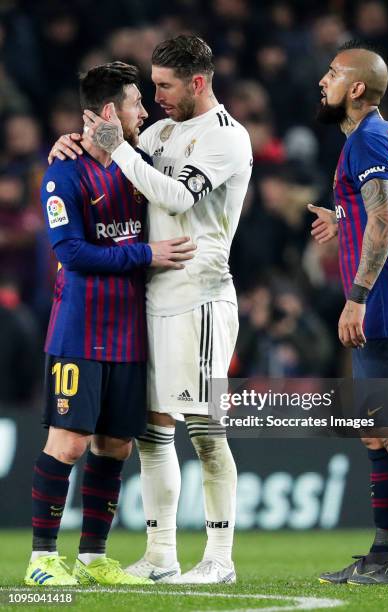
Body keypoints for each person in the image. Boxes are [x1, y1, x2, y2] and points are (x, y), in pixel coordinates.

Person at [52, 35, 253, 584]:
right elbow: (116, 165)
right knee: (151, 433)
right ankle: (161, 555)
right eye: (151, 86)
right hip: (151, 301)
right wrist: (73, 143)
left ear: (198, 82)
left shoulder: (227, 138)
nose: (156, 97)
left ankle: (218, 560)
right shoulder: (160, 134)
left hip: (203, 300)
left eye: (164, 86)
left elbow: (179, 197)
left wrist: (116, 147)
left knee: (207, 431)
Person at [25, 61, 195, 587]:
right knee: (69, 442)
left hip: (130, 332)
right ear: (108, 112)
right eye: (134, 103)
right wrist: (148, 253)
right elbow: (72, 253)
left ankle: (94, 558)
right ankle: (41, 559)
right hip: (79, 330)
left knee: (115, 445)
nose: (142, 112)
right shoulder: (64, 171)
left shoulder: (137, 164)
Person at [308, 40, 388, 585]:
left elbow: (384, 224)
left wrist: (355, 296)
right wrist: (345, 219)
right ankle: (384, 552)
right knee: (375, 432)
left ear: (356, 88)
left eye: (334, 73)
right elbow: (378, 216)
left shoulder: (369, 140)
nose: (323, 80)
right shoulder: (378, 136)